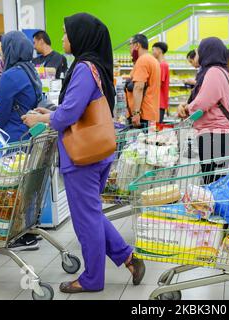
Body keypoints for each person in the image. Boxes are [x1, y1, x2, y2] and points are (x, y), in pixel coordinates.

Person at [22, 13, 145, 294]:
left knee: (85, 219)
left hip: (82, 157)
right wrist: (51, 112)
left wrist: (41, 120)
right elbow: (79, 108)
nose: (64, 38)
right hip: (97, 152)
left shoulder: (82, 68)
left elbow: (70, 113)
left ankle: (92, 279)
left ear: (80, 37)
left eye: (66, 33)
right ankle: (128, 257)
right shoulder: (97, 66)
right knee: (90, 213)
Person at [0, 31, 43, 251]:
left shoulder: (11, 74)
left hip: (13, 137)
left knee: (12, 187)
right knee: (28, 185)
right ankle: (30, 229)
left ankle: (18, 234)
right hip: (29, 134)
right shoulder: (30, 70)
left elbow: (1, 112)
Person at [178, 37, 229, 184]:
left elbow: (203, 103)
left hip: (214, 134)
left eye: (200, 50)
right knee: (217, 182)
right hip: (216, 133)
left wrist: (187, 109)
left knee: (214, 182)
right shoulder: (220, 71)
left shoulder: (214, 72)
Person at [126, 34, 161, 127]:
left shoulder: (142, 60)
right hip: (151, 112)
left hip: (143, 115)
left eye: (130, 44)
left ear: (137, 45)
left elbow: (139, 87)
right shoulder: (152, 60)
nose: (129, 48)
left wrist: (136, 113)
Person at [152, 42, 170, 123]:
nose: (152, 52)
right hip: (158, 101)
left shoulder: (162, 65)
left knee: (156, 127)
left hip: (159, 102)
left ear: (159, 50)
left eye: (153, 50)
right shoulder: (160, 64)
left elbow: (158, 83)